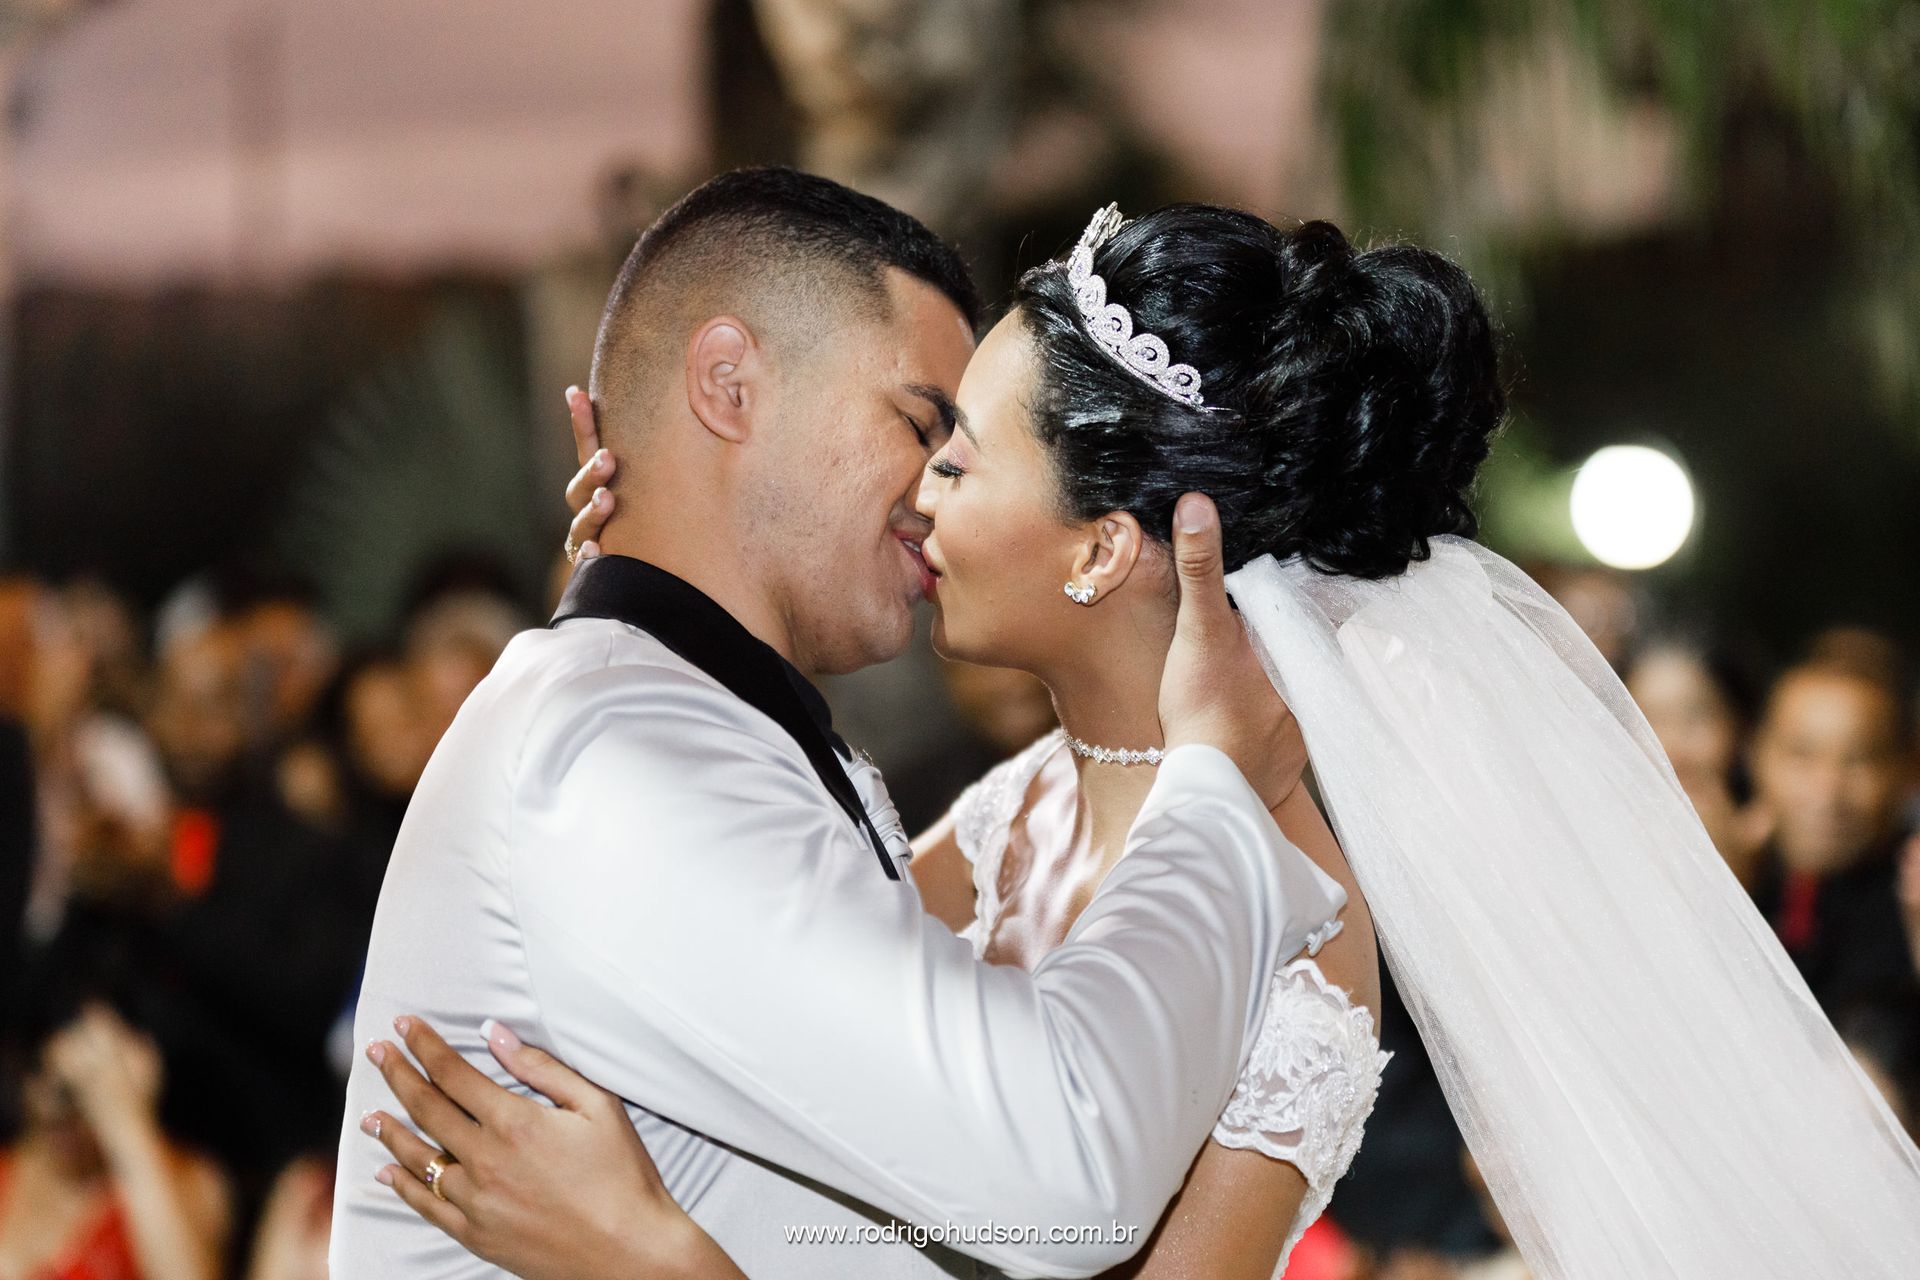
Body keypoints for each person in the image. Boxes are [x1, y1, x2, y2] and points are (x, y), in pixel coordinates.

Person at [378, 195, 1920, 1279]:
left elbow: (1026, 1198)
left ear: (1100, 549)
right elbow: (854, 1149)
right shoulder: (1003, 819)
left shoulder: (1297, 912)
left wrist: (666, 1268)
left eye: (958, 455)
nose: (921, 497)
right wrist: (650, 590)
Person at [332, 170, 1355, 1280]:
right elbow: (1063, 1163)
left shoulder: (674, 718)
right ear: (728, 384)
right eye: (921, 422)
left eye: (962, 447)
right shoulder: (618, 751)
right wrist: (1212, 777)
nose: (933, 491)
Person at [0, 965, 230, 1280]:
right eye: (45, 1078)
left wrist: (128, 1125)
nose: (59, 1116)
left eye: (80, 1096)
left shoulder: (188, 1181)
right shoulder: (9, 1169)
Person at [1748, 659, 1916, 1012]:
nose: (1828, 793)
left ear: (1903, 770)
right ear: (1756, 756)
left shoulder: (1906, 905)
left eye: (1858, 759)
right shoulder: (1737, 880)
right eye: (1801, 755)